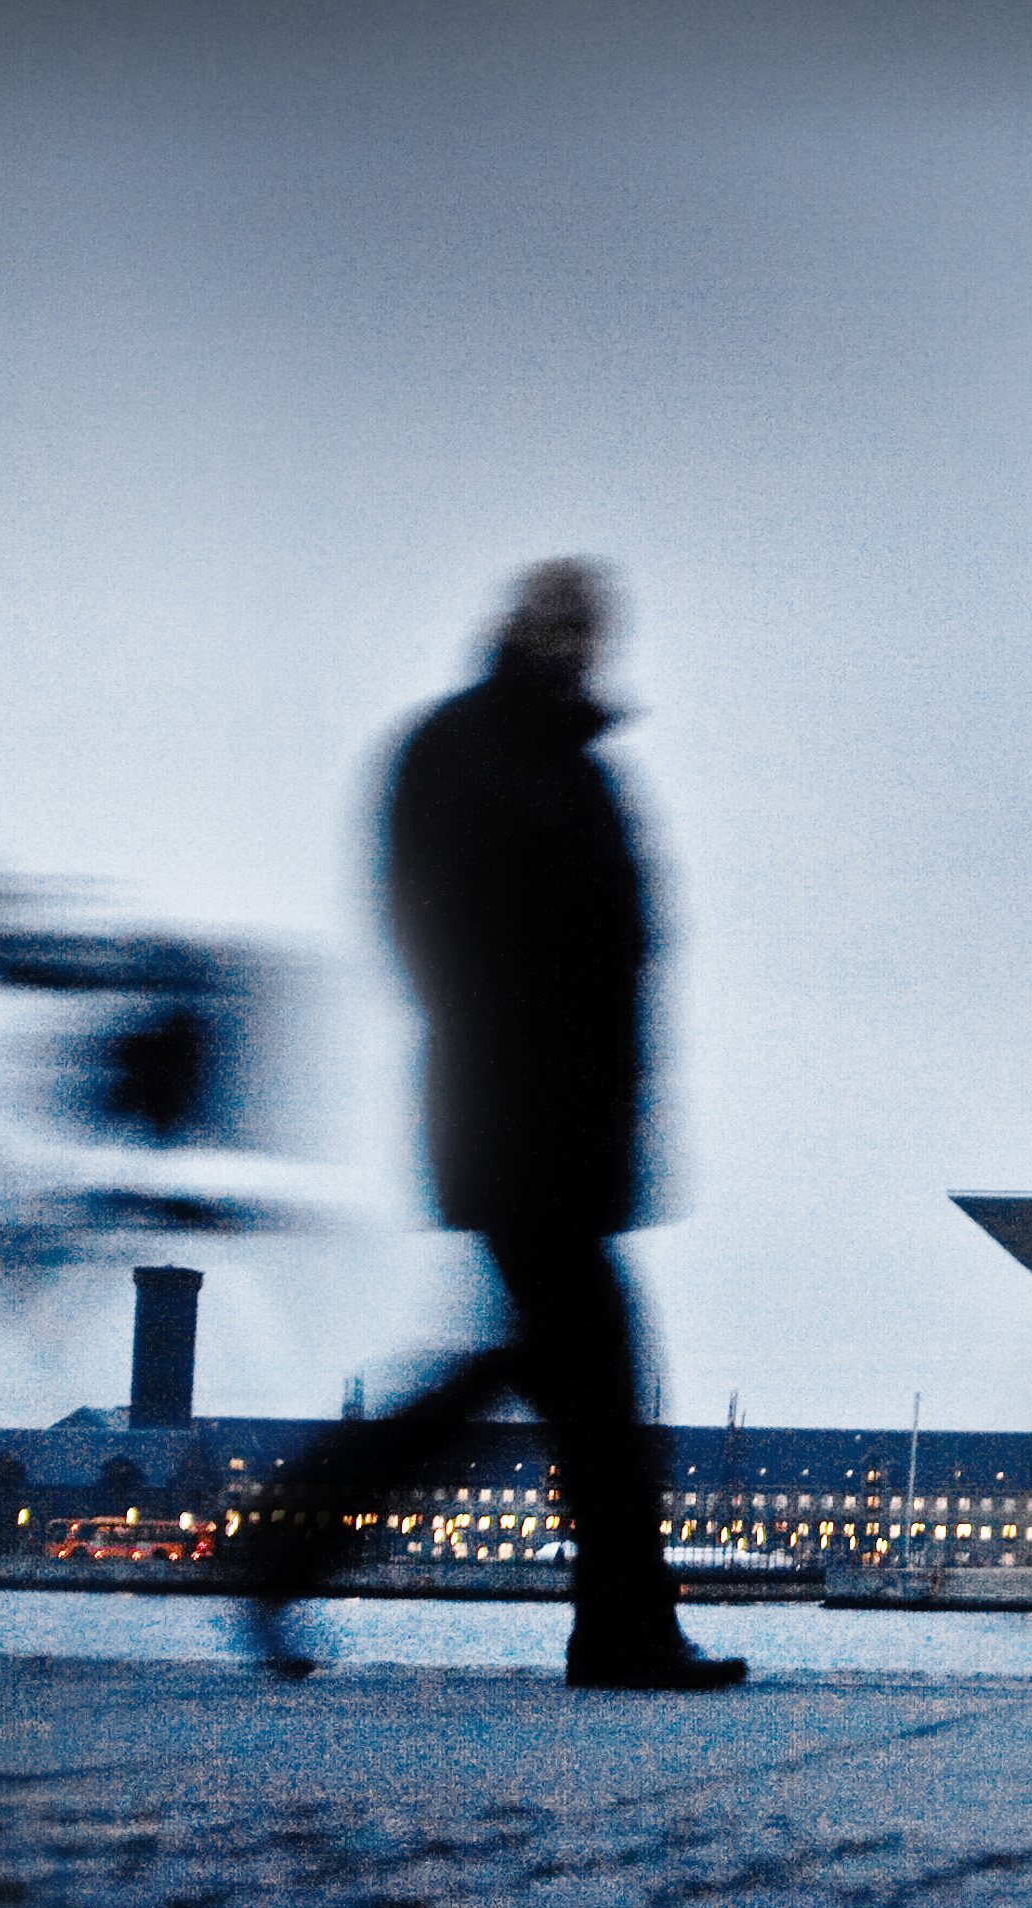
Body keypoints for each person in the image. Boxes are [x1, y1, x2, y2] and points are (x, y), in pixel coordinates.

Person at [243, 560, 745, 1691]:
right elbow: (432, 931)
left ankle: (288, 1547)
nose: (579, 643)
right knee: (598, 1388)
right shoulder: (472, 752)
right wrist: (522, 1064)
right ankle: (619, 1630)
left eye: (591, 628)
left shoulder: (568, 762)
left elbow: (621, 955)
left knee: (548, 1381)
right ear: (524, 627)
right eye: (563, 623)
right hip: (521, 1123)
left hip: (563, 1130)